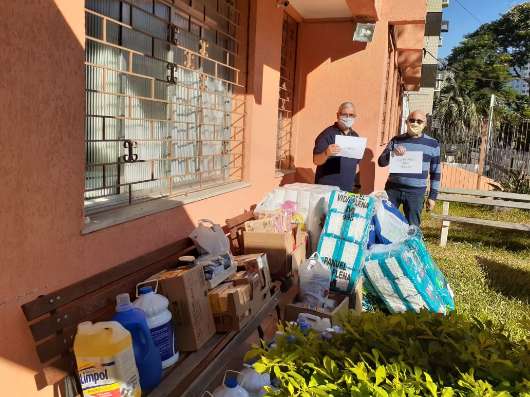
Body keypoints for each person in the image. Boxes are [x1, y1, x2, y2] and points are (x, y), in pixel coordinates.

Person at [377, 110, 441, 226]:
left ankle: (411, 244)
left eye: (419, 121)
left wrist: (432, 197)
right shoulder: (396, 140)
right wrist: (392, 153)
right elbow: (381, 162)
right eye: (412, 120)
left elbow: (436, 172)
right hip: (393, 190)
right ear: (407, 122)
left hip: (415, 193)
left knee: (413, 227)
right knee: (384, 222)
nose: (415, 123)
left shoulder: (433, 144)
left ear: (425, 124)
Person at [313, 101, 363, 192]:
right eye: (345, 114)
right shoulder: (327, 135)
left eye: (351, 115)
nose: (348, 118)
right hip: (327, 190)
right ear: (338, 115)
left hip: (347, 191)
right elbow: (316, 160)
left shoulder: (355, 136)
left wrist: (357, 185)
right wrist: (326, 153)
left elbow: (356, 164)